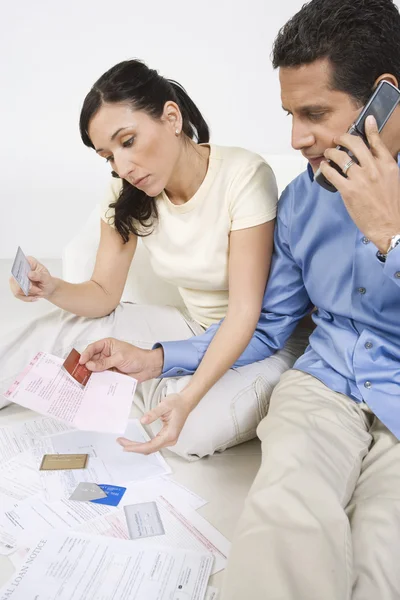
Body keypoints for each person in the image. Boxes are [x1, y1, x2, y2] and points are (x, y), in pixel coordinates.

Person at [1, 59, 309, 460]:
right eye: (108, 156)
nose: (122, 167)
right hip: (190, 326)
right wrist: (52, 287)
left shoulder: (244, 175)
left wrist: (173, 379)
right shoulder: (125, 193)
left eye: (127, 141)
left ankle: (144, 382)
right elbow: (102, 295)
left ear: (171, 117)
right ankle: (141, 379)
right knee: (64, 328)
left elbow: (244, 316)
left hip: (264, 342)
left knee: (188, 431)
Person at [220, 0, 400, 598]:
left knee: (383, 558)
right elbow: (268, 327)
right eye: (290, 114)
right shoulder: (303, 199)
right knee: (281, 517)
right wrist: (160, 357)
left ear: (384, 97)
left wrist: (390, 236)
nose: (297, 139)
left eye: (314, 113)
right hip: (324, 385)